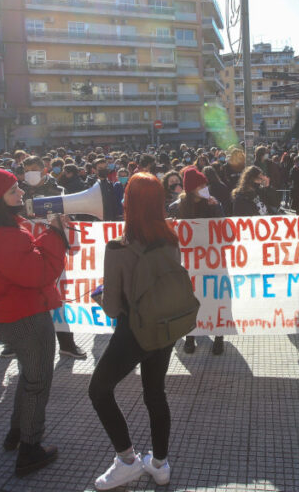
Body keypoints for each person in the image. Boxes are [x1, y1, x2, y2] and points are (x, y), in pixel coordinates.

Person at [0, 164, 68, 477]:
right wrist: (57, 235)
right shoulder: (2, 235)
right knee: (38, 383)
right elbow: (38, 273)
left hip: (9, 315)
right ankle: (30, 449)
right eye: (13, 190)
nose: (21, 192)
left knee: (28, 375)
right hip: (27, 317)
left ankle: (16, 433)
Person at [89, 173, 181, 490]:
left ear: (129, 203)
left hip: (135, 331)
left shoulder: (118, 247)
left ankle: (127, 461)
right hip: (167, 328)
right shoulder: (171, 238)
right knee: (155, 393)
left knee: (98, 390)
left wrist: (102, 295)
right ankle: (160, 464)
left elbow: (114, 309)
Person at [20, 155, 87, 360]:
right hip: (27, 249)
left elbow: (68, 215)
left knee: (57, 297)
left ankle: (66, 343)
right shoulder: (19, 192)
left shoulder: (58, 191)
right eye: (27, 170)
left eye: (35, 169)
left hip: (52, 249)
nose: (31, 174)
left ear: (44, 170)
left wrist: (66, 219)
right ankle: (20, 343)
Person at [168, 166, 224, 354]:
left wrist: (216, 208)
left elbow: (223, 230)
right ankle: (190, 336)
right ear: (191, 188)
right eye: (201, 185)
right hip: (189, 262)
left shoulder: (213, 204)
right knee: (190, 299)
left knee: (215, 298)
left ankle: (219, 336)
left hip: (212, 260)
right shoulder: (175, 207)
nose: (205, 188)